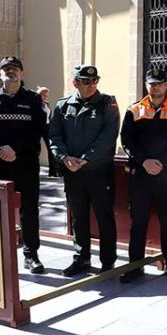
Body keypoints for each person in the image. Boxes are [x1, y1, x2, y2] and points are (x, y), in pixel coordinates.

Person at [0, 57, 46, 273]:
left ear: (22, 74)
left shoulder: (34, 100)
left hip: (24, 162)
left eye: (15, 69)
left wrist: (14, 148)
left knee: (29, 211)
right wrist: (0, 148)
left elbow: (37, 128)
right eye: (6, 69)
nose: (10, 72)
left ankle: (31, 254)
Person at [119, 68, 167, 283]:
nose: (155, 87)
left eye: (159, 83)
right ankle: (135, 266)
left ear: (166, 85)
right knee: (138, 222)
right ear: (146, 85)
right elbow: (127, 141)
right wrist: (144, 161)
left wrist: (162, 163)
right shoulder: (135, 110)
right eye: (152, 83)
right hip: (140, 175)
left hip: (166, 176)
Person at [49, 65, 120, 276]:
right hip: (73, 173)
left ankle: (108, 261)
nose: (91, 85)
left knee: (104, 216)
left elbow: (109, 136)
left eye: (95, 80)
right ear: (75, 83)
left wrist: (86, 158)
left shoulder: (108, 103)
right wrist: (63, 157)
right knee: (78, 218)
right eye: (86, 81)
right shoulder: (63, 106)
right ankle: (81, 258)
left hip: (98, 171)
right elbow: (54, 135)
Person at [37, 86, 58, 177]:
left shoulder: (46, 104)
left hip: (47, 127)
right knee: (37, 149)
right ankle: (34, 171)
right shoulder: (35, 104)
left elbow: (49, 116)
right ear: (39, 95)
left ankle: (53, 171)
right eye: (44, 95)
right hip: (38, 128)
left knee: (51, 148)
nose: (45, 97)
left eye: (47, 95)